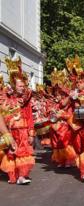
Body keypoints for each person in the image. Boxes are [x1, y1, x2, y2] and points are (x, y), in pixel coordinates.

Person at [1, 57, 35, 185]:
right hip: (9, 130)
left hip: (23, 130)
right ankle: (12, 175)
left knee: (23, 152)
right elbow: (2, 115)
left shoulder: (25, 99)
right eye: (20, 85)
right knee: (10, 152)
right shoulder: (5, 97)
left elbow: (30, 116)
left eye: (24, 85)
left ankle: (22, 175)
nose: (23, 87)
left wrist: (31, 132)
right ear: (13, 85)